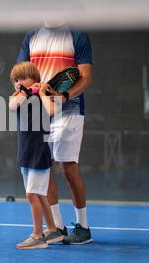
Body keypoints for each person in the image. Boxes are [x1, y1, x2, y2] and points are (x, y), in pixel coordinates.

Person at [16, 21, 93, 244]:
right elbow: (21, 74)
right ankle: (57, 227)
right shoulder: (31, 34)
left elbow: (85, 76)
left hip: (69, 108)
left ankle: (83, 227)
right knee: (43, 165)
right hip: (40, 109)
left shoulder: (77, 33)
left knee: (68, 168)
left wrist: (65, 96)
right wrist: (29, 91)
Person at [8, 61, 63, 249]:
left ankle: (38, 236)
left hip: (40, 152)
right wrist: (23, 91)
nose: (20, 81)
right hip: (25, 153)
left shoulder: (44, 95)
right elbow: (13, 106)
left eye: (24, 77)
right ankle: (53, 231)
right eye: (17, 79)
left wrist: (41, 93)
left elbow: (54, 111)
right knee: (39, 195)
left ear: (35, 78)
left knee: (32, 194)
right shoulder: (18, 96)